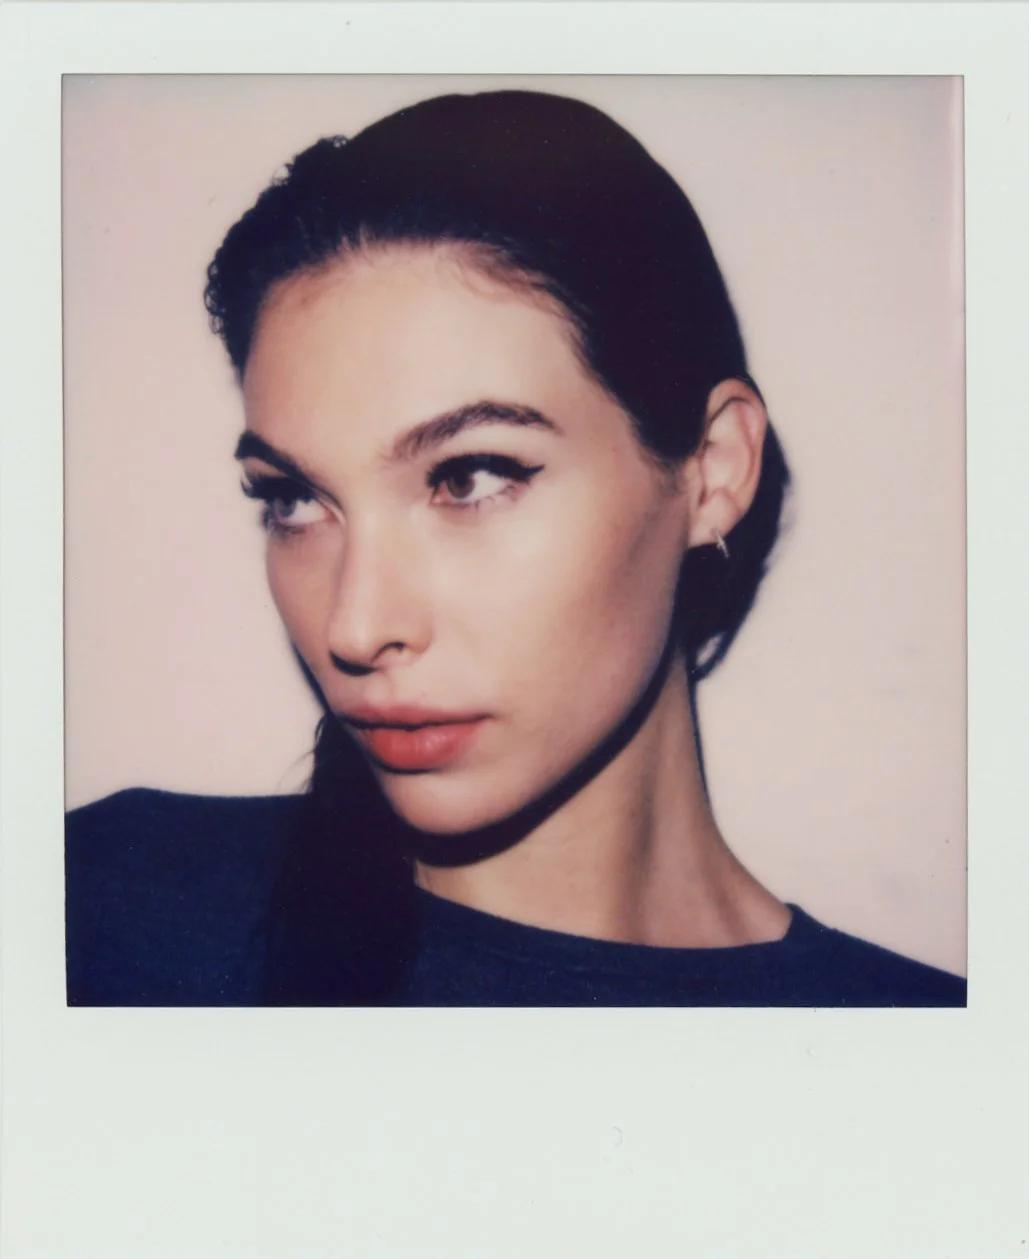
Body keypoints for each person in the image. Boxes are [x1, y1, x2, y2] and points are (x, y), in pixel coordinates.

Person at [65, 88, 965, 1007]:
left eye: (469, 477)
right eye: (295, 499)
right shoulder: (105, 913)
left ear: (712, 468)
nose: (355, 626)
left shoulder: (927, 1043)